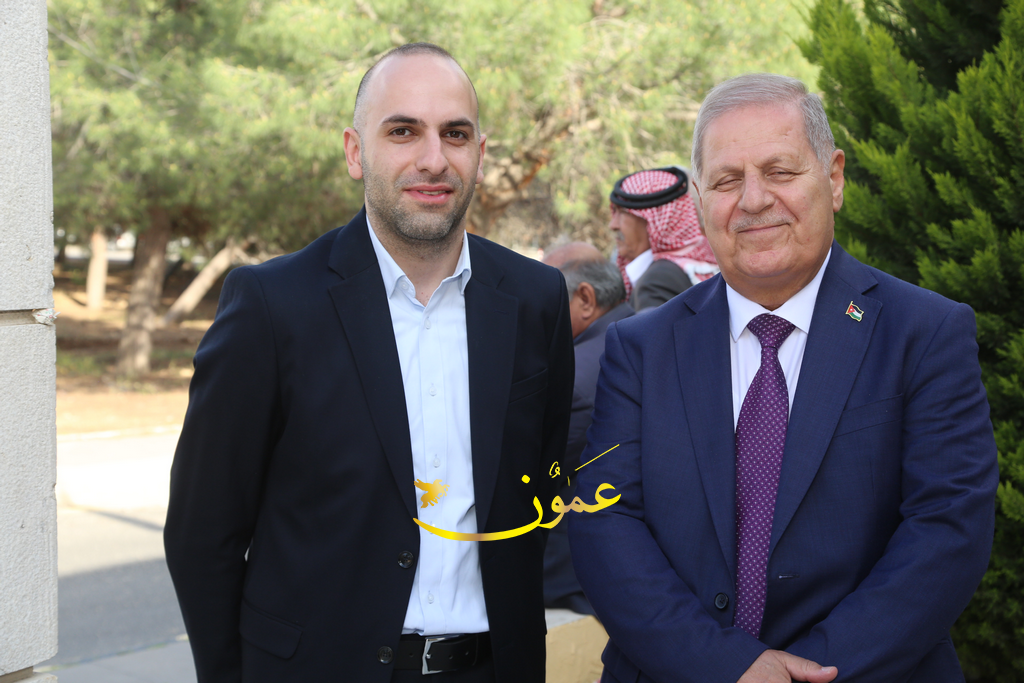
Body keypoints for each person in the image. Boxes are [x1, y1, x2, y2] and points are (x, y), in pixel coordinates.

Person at [164, 43, 574, 683]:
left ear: (480, 154)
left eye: (455, 134)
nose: (433, 159)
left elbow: (539, 491)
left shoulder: (535, 299)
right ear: (356, 152)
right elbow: (202, 533)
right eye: (403, 131)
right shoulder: (273, 305)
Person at [570, 73, 998, 683]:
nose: (753, 200)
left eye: (780, 171)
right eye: (727, 181)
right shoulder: (639, 348)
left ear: (835, 178)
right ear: (700, 201)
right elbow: (604, 523)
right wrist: (727, 667)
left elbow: (947, 529)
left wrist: (808, 674)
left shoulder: (923, 333)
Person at [540, 242, 633, 615]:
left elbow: (531, 471)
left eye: (544, 300)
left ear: (585, 299)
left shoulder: (575, 373)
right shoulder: (639, 331)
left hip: (572, 578)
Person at [609, 166, 718, 312]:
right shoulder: (709, 263)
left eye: (622, 212)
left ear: (656, 218)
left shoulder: (657, 280)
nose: (613, 225)